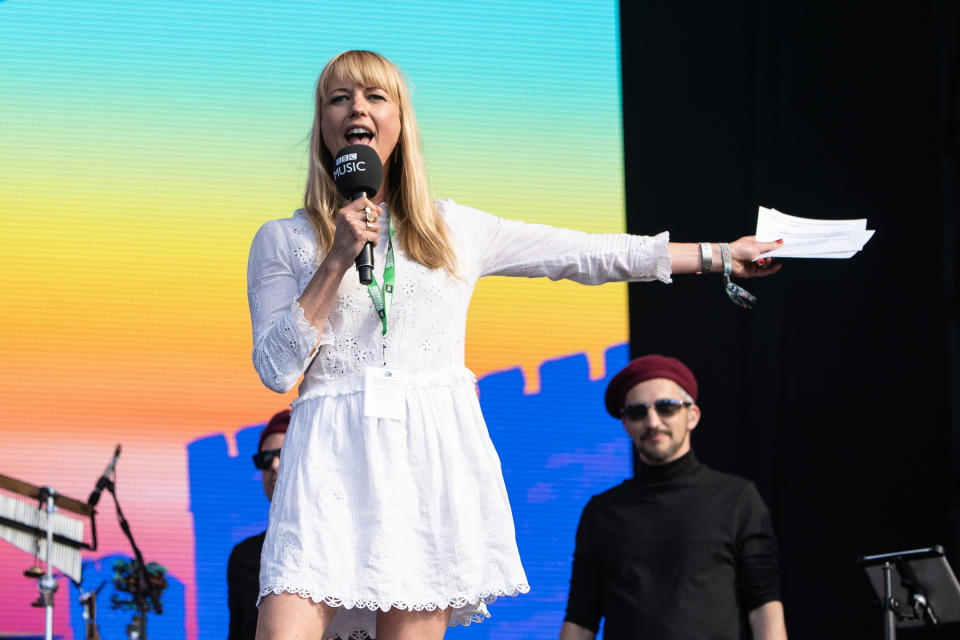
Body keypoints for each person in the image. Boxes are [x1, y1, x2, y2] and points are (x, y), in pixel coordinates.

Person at [246, 49, 782, 640]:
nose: (358, 109)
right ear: (322, 123)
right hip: (329, 455)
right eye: (339, 98)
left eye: (376, 97)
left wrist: (718, 256)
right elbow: (275, 369)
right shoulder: (284, 239)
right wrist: (338, 257)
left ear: (401, 120)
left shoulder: (453, 229)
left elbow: (584, 253)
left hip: (425, 454)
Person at [560, 355, 788, 640]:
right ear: (626, 425)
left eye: (666, 407)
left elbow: (764, 605)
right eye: (637, 412)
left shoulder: (738, 499)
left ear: (692, 415)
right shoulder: (602, 512)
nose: (653, 421)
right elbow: (581, 618)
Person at [227, 410, 290, 640]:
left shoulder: (343, 545)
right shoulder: (243, 557)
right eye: (264, 459)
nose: (273, 464)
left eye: (284, 453)